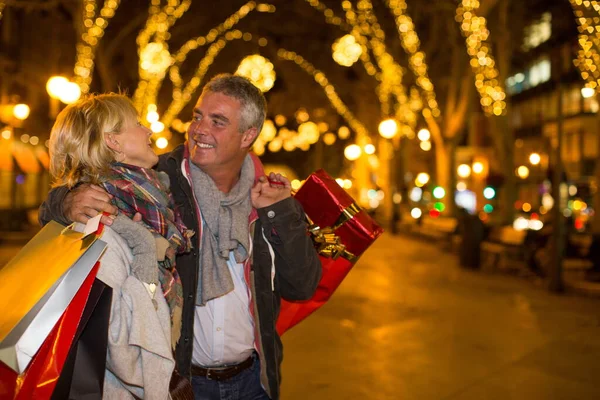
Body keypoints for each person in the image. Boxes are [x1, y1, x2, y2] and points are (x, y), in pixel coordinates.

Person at [40, 74, 322, 400]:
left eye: (218, 122)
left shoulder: (271, 197)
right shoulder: (160, 179)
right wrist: (65, 201)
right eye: (197, 116)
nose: (200, 129)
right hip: (184, 383)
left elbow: (302, 286)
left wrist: (281, 212)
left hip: (254, 381)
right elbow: (84, 184)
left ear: (248, 135)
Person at [46, 93, 194, 398]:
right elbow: (119, 346)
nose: (149, 131)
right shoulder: (103, 223)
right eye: (138, 124)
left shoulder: (148, 201)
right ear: (113, 141)